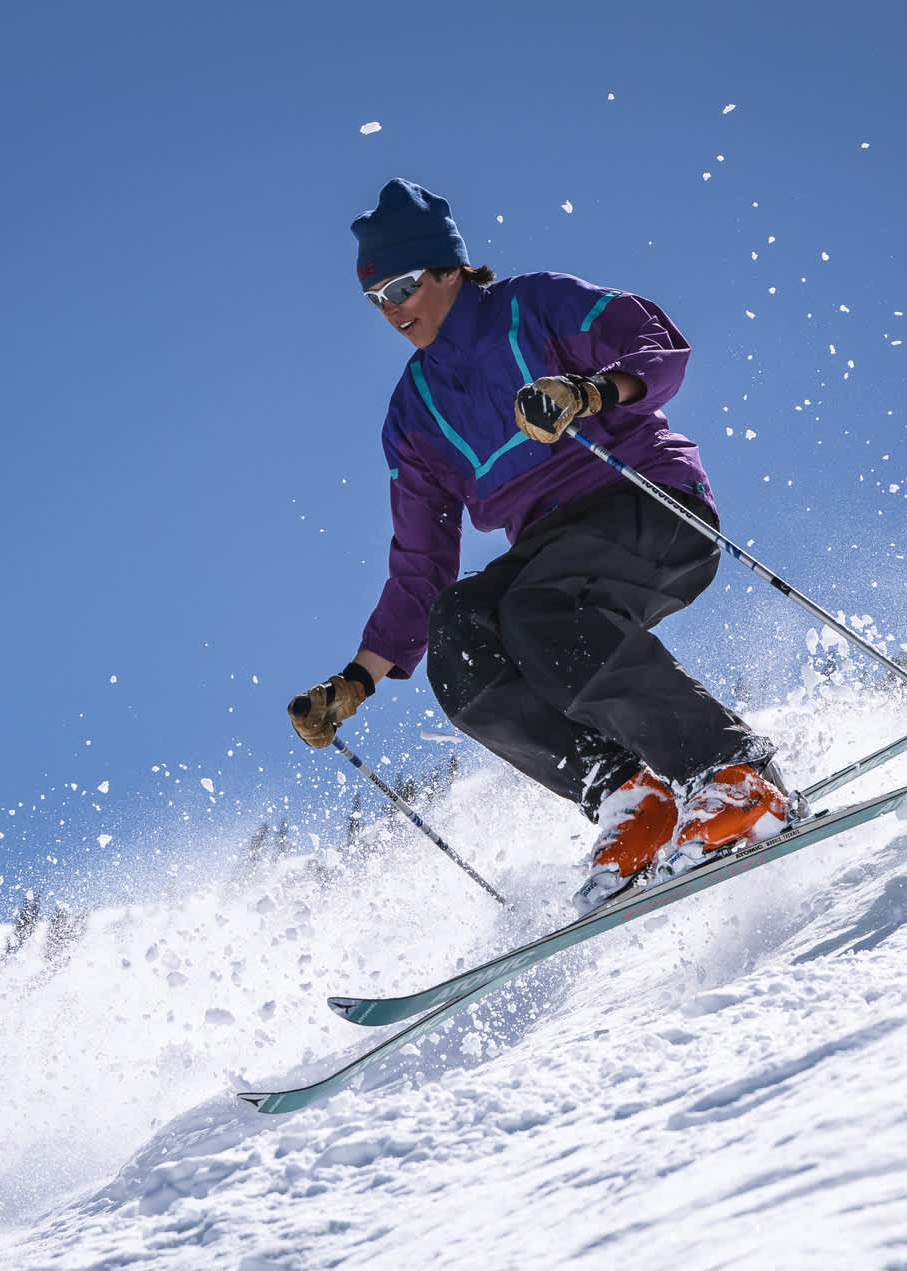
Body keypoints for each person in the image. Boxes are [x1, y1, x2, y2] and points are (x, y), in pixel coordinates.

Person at [289, 178, 787, 908]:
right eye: (376, 298)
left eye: (401, 285)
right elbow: (422, 564)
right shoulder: (415, 411)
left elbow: (658, 345)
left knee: (537, 610)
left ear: (449, 268)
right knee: (460, 639)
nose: (392, 309)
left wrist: (590, 392)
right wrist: (355, 680)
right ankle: (634, 796)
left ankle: (735, 775)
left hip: (649, 502)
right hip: (552, 552)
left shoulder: (533, 306)